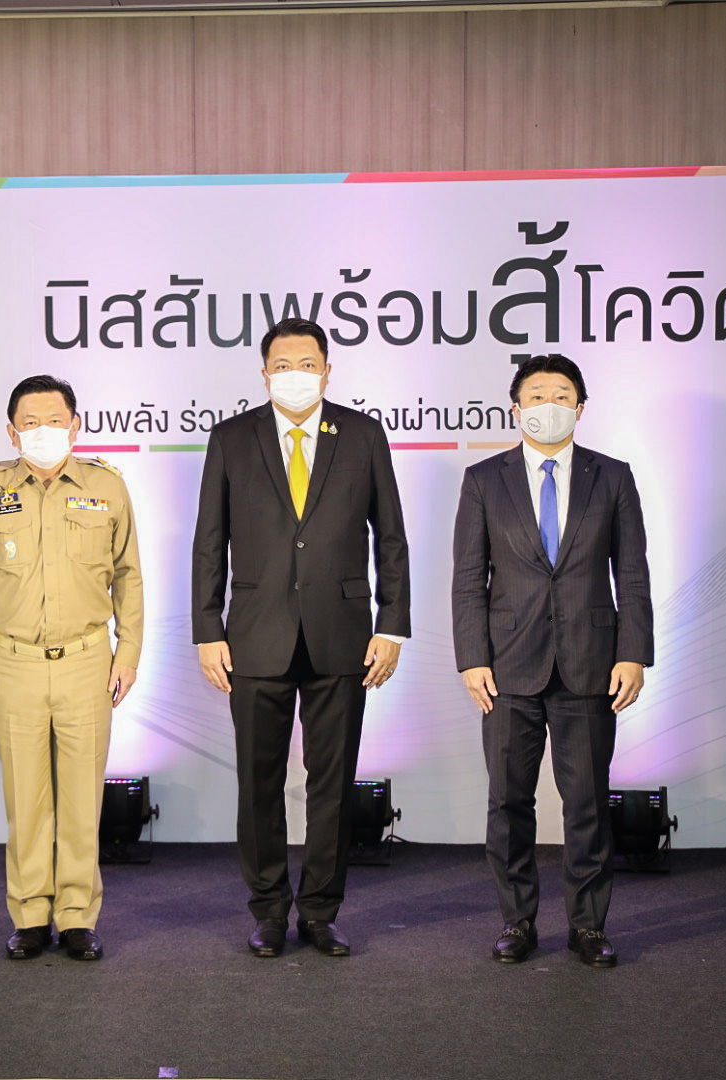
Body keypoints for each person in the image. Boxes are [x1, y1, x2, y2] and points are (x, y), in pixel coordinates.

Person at [191, 317, 410, 959]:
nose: (295, 374)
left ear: (327, 370)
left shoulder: (363, 435)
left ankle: (319, 912)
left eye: (307, 364)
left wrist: (391, 625)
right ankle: (267, 911)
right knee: (258, 783)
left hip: (343, 635)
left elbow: (391, 538)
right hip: (254, 636)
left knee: (332, 784)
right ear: (264, 373)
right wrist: (208, 629)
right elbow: (209, 541)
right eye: (282, 365)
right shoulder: (231, 438)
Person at [451, 354, 652, 968]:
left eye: (561, 395)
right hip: (506, 667)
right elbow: (468, 578)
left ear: (580, 408)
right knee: (508, 803)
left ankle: (588, 926)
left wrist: (633, 653)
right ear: (516, 408)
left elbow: (632, 574)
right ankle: (516, 921)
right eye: (536, 395)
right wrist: (472, 657)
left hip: (591, 663)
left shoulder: (612, 476)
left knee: (586, 802)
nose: (548, 405)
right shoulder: (484, 479)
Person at [0, 374, 143, 962]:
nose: (42, 432)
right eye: (29, 423)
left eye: (54, 421)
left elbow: (129, 576)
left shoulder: (107, 486)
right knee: (26, 799)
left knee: (83, 800)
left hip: (87, 659)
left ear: (75, 426)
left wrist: (128, 652)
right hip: (14, 664)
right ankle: (31, 914)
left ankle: (78, 916)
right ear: (12, 432)